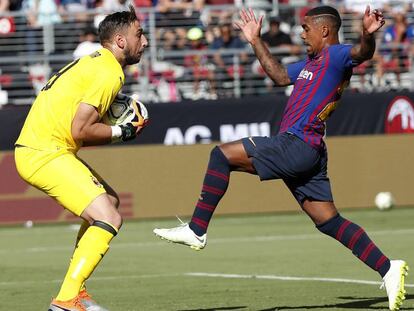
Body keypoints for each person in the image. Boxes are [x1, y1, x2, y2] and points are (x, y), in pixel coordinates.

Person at [153, 6, 408, 311]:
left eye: (305, 28)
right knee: (328, 221)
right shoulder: (310, 64)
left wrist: (367, 33)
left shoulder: (337, 55)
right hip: (309, 150)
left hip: (296, 144)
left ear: (324, 30)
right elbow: (276, 74)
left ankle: (196, 230)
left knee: (220, 155)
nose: (301, 34)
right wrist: (255, 40)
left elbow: (362, 52)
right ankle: (387, 267)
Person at [14, 6, 148, 311]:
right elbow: (81, 129)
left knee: (110, 204)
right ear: (120, 41)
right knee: (109, 217)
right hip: (44, 153)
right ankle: (66, 300)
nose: (146, 41)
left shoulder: (95, 62)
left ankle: (76, 292)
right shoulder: (109, 72)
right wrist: (122, 132)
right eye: (139, 34)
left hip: (43, 149)